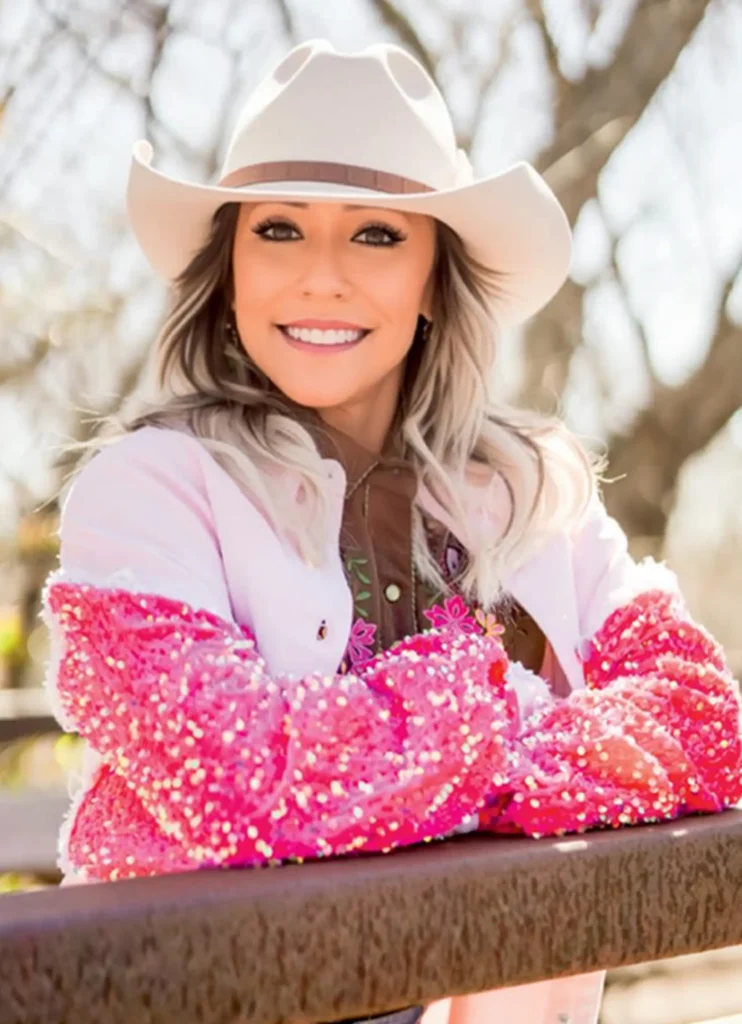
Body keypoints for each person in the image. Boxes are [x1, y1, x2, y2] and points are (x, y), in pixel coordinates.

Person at [42, 39, 742, 1024]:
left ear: (433, 276)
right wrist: (492, 707)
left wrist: (412, 757)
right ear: (230, 266)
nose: (320, 278)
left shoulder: (537, 494)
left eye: (376, 234)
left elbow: (701, 719)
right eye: (278, 228)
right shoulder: (145, 492)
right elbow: (236, 782)